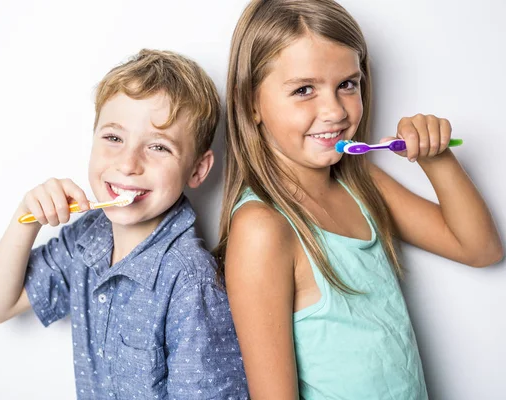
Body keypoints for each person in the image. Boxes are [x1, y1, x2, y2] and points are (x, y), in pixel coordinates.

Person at [214, 1, 504, 399]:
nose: (334, 110)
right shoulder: (263, 227)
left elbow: (481, 248)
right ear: (250, 103)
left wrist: (436, 159)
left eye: (347, 84)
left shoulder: (361, 181)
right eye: (303, 90)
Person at [0, 49, 248, 399]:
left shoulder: (191, 282)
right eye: (114, 138)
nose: (128, 163)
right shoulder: (86, 239)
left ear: (197, 169)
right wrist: (26, 218)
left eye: (159, 147)